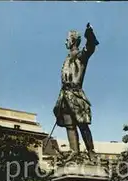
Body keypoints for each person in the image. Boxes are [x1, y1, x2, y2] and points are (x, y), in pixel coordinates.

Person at [53, 23, 99, 161]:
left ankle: (91, 151)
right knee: (69, 124)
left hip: (76, 94)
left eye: (67, 39)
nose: (65, 42)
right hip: (65, 95)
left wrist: (89, 34)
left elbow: (90, 48)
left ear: (73, 40)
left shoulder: (80, 56)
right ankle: (74, 151)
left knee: (82, 124)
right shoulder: (67, 58)